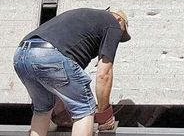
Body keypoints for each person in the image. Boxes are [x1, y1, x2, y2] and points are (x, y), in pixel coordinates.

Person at [14, 8, 131, 136]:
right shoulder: (113, 24)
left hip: (22, 54)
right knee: (84, 108)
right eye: (122, 33)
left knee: (43, 109)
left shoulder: (82, 21)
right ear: (119, 19)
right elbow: (104, 75)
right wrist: (104, 116)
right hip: (49, 55)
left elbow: (60, 81)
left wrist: (61, 113)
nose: (118, 38)